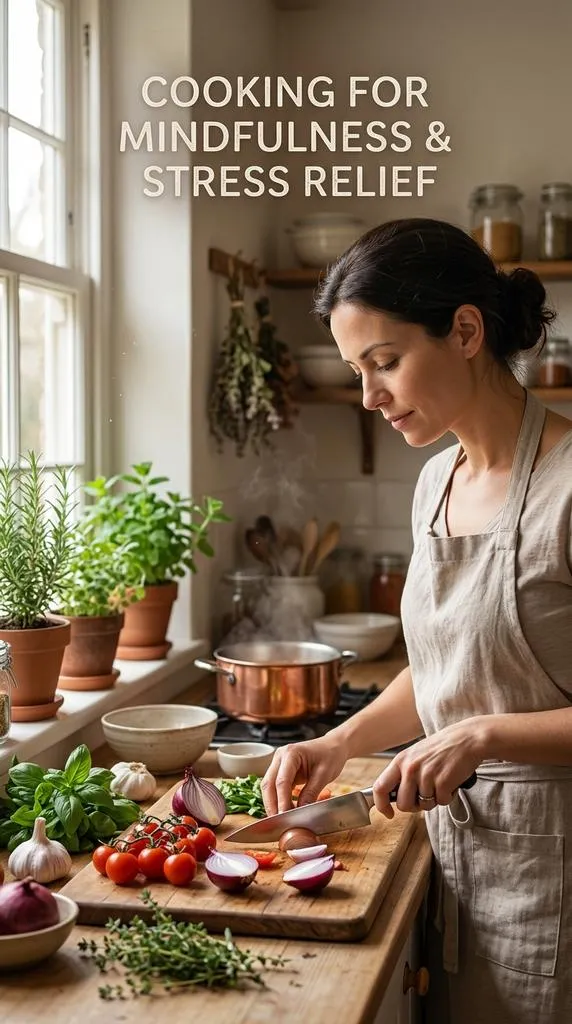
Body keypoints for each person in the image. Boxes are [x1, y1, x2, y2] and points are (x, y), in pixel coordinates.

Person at [261, 218, 572, 1024]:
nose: (370, 396)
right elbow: (445, 668)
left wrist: (484, 736)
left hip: (555, 880)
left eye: (385, 362)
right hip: (455, 858)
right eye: (357, 370)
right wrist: (339, 743)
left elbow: (476, 712)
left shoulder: (569, 486)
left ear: (466, 330)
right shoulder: (435, 480)